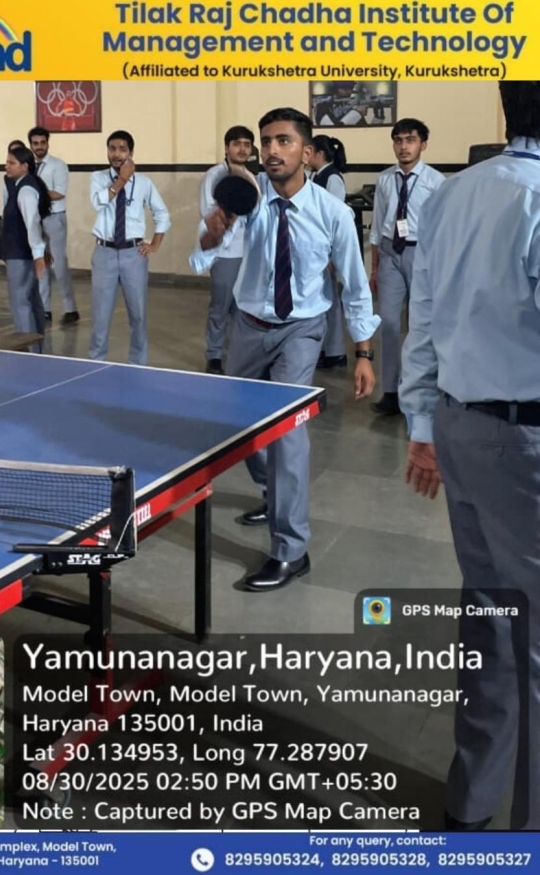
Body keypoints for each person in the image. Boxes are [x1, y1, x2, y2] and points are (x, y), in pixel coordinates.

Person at [400, 80, 540, 832]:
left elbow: (423, 318)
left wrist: (423, 424)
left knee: (489, 615)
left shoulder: (453, 193)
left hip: (461, 425)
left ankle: (472, 801)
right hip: (526, 443)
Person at [190, 107, 379, 592]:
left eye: (283, 141)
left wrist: (363, 352)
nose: (271, 150)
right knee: (241, 428)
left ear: (306, 152)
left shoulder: (333, 213)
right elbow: (203, 256)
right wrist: (212, 235)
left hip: (301, 331)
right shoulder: (247, 199)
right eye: (266, 141)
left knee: (286, 436)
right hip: (248, 326)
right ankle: (272, 493)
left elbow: (355, 283)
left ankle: (291, 551)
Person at [369, 119, 445, 415]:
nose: (403, 146)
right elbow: (377, 225)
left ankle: (424, 388)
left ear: (423, 145)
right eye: (398, 140)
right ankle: (390, 390)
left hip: (422, 253)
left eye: (410, 140)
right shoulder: (385, 179)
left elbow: (442, 227)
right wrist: (375, 267)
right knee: (388, 323)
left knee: (421, 324)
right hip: (390, 252)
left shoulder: (435, 181)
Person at [88, 130, 171, 366]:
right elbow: (98, 202)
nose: (116, 154)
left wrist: (155, 243)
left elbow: (162, 214)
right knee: (100, 315)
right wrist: (122, 180)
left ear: (131, 153)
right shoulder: (98, 178)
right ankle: (95, 362)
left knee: (138, 314)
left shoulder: (144, 183)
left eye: (122, 149)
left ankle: (138, 364)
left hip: (134, 254)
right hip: (104, 253)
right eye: (112, 148)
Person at [199, 125, 255, 374]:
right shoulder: (214, 175)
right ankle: (214, 355)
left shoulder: (253, 177)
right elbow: (208, 211)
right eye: (237, 144)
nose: (242, 149)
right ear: (226, 147)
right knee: (220, 306)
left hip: (249, 253)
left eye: (247, 145)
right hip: (224, 252)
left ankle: (237, 355)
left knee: (243, 308)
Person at [27, 126, 79, 326]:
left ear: (48, 143)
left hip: (55, 218)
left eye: (43, 142)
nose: (39, 146)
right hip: (37, 219)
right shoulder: (29, 166)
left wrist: (36, 195)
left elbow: (59, 192)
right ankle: (45, 309)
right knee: (41, 263)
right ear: (31, 145)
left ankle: (70, 309)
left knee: (59, 265)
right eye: (35, 143)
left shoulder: (58, 165)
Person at [0, 145, 50, 353]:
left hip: (20, 255)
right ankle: (36, 349)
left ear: (25, 166)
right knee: (31, 300)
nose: (7, 166)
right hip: (20, 253)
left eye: (12, 163)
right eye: (7, 162)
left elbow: (32, 224)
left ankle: (28, 352)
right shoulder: (19, 186)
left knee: (21, 303)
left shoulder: (26, 190)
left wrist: (39, 255)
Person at [309, 135, 348, 369]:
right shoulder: (315, 176)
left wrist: (331, 253)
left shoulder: (332, 178)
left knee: (331, 300)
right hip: (315, 248)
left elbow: (335, 219)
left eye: (310, 152)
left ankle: (335, 351)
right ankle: (324, 348)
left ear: (320, 154)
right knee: (321, 300)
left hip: (327, 249)